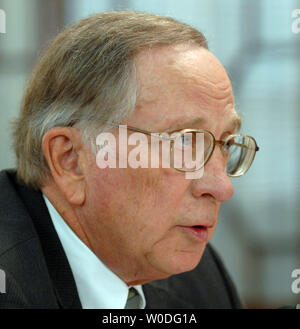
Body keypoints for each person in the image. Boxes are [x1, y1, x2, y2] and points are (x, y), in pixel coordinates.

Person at [0, 11, 259, 309]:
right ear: (71, 161)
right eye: (184, 141)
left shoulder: (197, 275)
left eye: (225, 143)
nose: (222, 187)